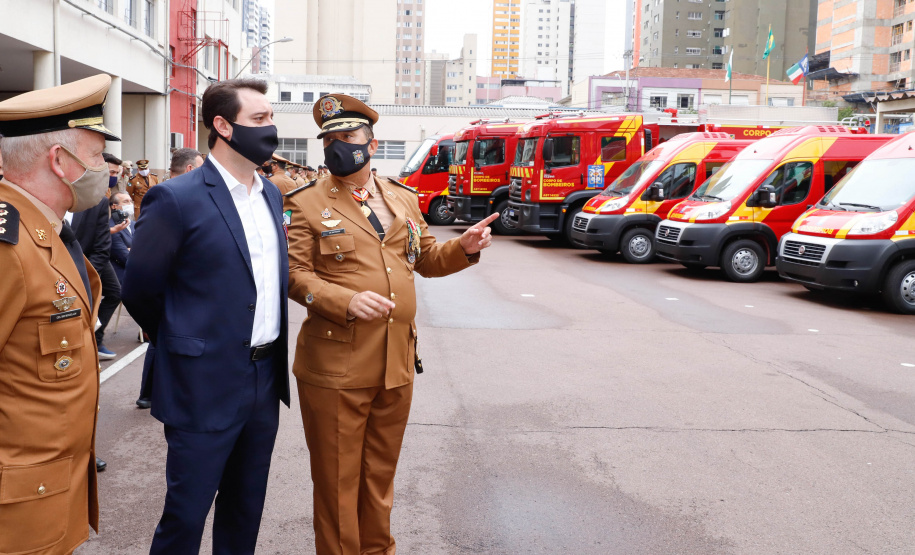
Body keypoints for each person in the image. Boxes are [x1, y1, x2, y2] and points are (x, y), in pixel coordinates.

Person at [285, 93, 497, 555]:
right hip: (336, 366)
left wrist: (464, 246)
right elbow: (293, 274)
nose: (338, 145)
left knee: (379, 477)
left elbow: (424, 259)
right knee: (338, 483)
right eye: (330, 139)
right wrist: (344, 300)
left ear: (372, 144)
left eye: (348, 136)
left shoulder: (401, 197)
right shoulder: (302, 203)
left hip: (395, 363)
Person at [121, 77, 290, 555]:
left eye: (271, 117)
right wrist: (184, 340)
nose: (271, 127)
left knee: (244, 510)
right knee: (186, 515)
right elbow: (140, 289)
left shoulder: (270, 195)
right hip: (203, 382)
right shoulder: (177, 198)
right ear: (223, 126)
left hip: (263, 380)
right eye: (259, 119)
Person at [0, 73, 119, 555]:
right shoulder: (9, 246)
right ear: (59, 161)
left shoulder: (46, 231)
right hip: (19, 506)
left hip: (51, 490)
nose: (106, 170)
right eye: (95, 158)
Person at [69, 188, 120, 363]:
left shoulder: (97, 201)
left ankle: (95, 339)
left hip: (89, 260)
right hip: (55, 264)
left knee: (114, 292)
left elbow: (101, 248)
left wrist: (82, 277)